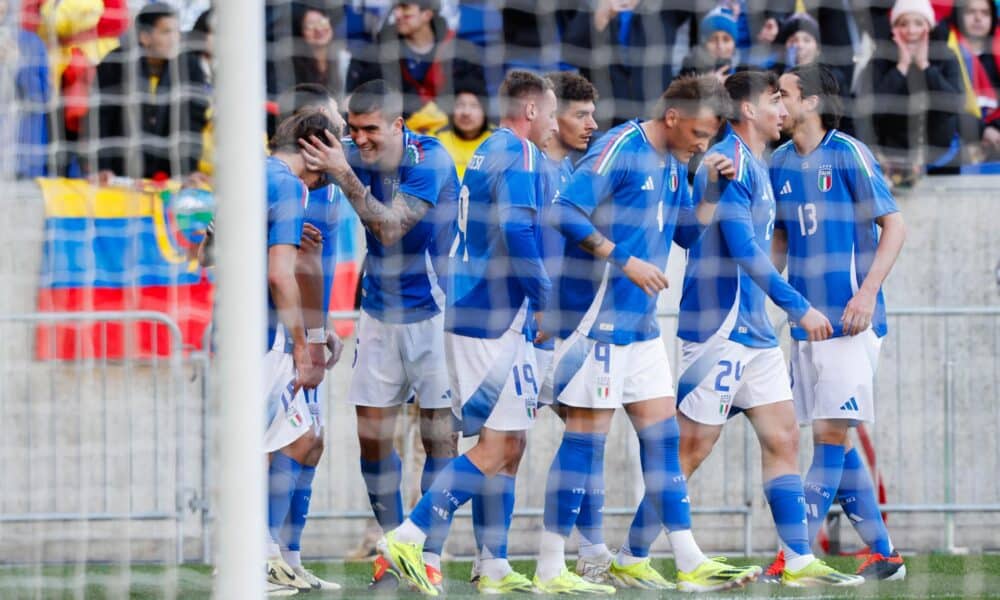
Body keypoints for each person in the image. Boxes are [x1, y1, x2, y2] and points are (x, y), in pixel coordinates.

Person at [538, 74, 761, 594]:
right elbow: (563, 210)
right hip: (598, 320)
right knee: (585, 441)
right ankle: (550, 566)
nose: (704, 144)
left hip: (640, 326)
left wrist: (711, 188)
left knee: (664, 440)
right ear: (672, 117)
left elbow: (686, 232)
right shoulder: (621, 146)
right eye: (700, 133)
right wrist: (624, 258)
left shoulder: (674, 162)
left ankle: (688, 559)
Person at [362, 70, 556, 597]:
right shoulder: (518, 151)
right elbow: (517, 228)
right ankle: (409, 535)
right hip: (493, 315)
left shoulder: (489, 148)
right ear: (533, 111)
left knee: (506, 447)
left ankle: (492, 566)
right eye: (554, 112)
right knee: (497, 446)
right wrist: (547, 302)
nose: (556, 123)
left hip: (475, 309)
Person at [674, 70, 864, 588]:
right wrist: (799, 307)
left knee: (783, 439)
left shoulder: (758, 164)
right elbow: (747, 255)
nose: (783, 109)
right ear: (748, 111)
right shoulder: (728, 164)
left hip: (754, 335)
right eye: (773, 100)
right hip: (717, 330)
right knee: (689, 452)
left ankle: (797, 557)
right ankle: (633, 552)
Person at [298, 79, 460, 594]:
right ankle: (395, 548)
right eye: (354, 128)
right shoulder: (351, 152)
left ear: (397, 125)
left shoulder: (430, 161)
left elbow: (391, 226)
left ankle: (428, 550)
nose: (360, 138)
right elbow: (292, 167)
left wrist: (344, 173)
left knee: (439, 438)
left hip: (436, 315)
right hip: (378, 313)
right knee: (371, 437)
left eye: (370, 129)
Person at [765, 63, 907, 582]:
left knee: (828, 437)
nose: (776, 104)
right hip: (807, 325)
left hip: (850, 324)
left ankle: (791, 553)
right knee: (838, 443)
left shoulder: (847, 153)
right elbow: (780, 239)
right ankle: (887, 556)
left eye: (784, 95)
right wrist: (763, 293)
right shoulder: (778, 160)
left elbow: (894, 224)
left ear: (813, 102)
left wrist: (867, 294)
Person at [260, 109, 338, 597]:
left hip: (255, 333)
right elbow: (277, 274)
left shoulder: (256, 175)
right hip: (264, 336)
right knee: (280, 444)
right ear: (314, 146)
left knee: (306, 440)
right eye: (337, 143)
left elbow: (206, 250)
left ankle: (284, 559)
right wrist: (300, 344)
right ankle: (263, 559)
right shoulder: (289, 185)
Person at [855, 0, 963, 180]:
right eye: (903, 24)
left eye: (918, 23)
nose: (911, 30)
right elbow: (871, 109)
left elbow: (953, 104)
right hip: (892, 162)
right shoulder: (880, 60)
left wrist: (925, 67)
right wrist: (901, 68)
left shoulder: (946, 56)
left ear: (930, 27)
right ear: (894, 29)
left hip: (940, 159)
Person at [93, 2, 201, 180]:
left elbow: (192, 124)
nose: (175, 39)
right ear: (145, 37)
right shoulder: (115, 64)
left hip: (169, 175)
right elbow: (101, 120)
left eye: (177, 32)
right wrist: (101, 167)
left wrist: (189, 170)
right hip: (120, 175)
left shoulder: (189, 68)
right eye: (166, 32)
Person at [345, 0, 483, 133]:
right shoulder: (382, 51)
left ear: (427, 14)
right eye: (396, 8)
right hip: (400, 134)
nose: (397, 15)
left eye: (405, 8)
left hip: (451, 133)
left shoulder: (460, 51)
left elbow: (473, 97)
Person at [946, 0, 1000, 160]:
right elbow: (947, 105)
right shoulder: (947, 52)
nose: (978, 18)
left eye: (985, 13)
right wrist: (982, 130)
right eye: (971, 12)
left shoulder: (996, 56)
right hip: (958, 145)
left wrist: (994, 129)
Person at [433, 79, 492, 180]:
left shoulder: (497, 140)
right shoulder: (436, 140)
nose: (466, 112)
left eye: (474, 106)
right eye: (460, 105)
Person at [679, 7, 739, 81]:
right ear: (704, 43)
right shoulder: (689, 70)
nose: (720, 46)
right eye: (713, 39)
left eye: (726, 40)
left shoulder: (744, 70)